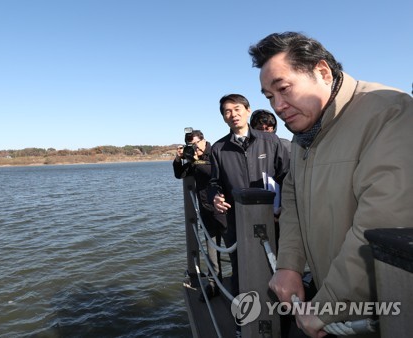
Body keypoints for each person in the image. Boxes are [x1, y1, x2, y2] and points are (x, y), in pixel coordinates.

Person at [248, 31, 413, 338]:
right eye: (269, 97)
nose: (278, 106)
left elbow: (384, 221)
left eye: (283, 89)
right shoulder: (303, 134)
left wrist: (328, 305)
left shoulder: (389, 112)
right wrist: (289, 265)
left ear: (322, 72)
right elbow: (293, 199)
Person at [209, 94, 290, 300]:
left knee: (277, 264)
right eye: (227, 111)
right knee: (240, 267)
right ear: (224, 118)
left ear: (247, 110)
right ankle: (243, 319)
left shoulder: (270, 141)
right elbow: (214, 183)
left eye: (237, 109)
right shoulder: (218, 148)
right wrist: (216, 197)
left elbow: (287, 176)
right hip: (236, 220)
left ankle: (282, 315)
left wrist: (284, 207)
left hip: (273, 217)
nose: (233, 115)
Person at [173, 129, 226, 301]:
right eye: (190, 146)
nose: (194, 148)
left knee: (235, 248)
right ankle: (213, 285)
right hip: (206, 210)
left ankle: (244, 283)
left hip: (225, 210)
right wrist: (178, 159)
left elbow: (213, 173)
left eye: (195, 144)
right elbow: (179, 174)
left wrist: (196, 161)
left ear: (203, 140)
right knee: (211, 252)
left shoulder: (217, 151)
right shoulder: (193, 158)